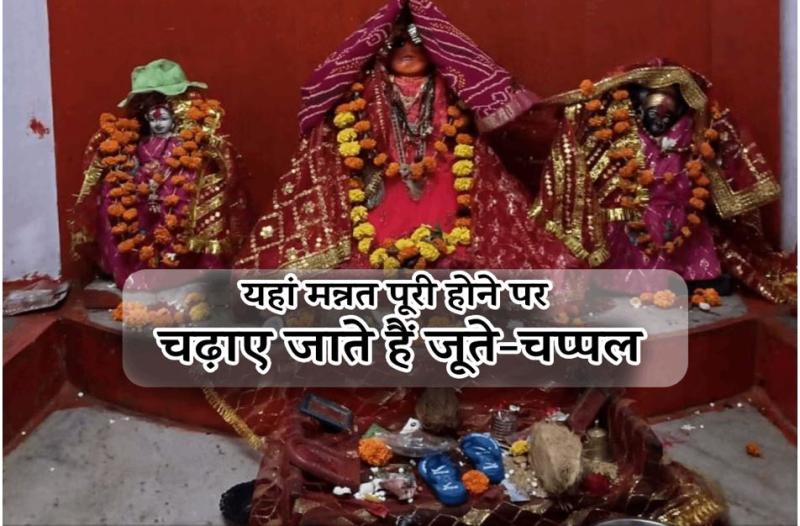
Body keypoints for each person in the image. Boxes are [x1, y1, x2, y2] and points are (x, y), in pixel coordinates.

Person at [532, 59, 796, 303]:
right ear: (639, 104)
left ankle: (691, 280)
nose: (660, 118)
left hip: (682, 219)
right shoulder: (620, 130)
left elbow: (710, 166)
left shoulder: (691, 133)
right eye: (654, 110)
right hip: (635, 221)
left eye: (668, 110)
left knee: (689, 240)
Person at [71, 58, 249, 288]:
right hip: (140, 196)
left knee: (189, 193)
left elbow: (218, 167)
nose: (158, 124)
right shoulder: (134, 142)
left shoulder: (191, 142)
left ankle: (191, 269)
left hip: (178, 192)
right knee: (113, 196)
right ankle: (134, 267)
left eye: (164, 117)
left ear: (176, 112)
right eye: (152, 118)